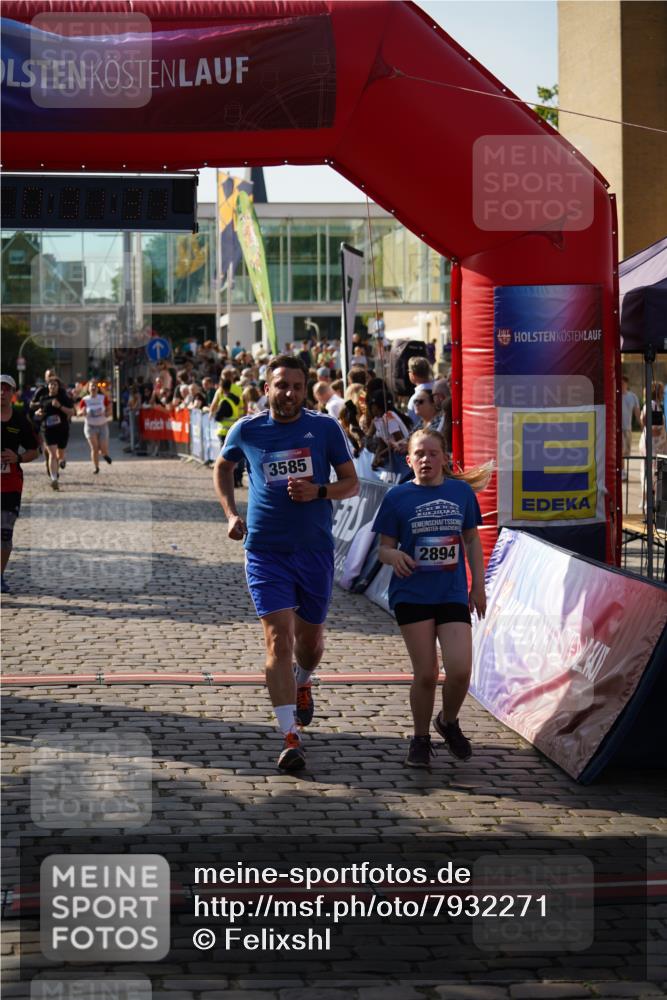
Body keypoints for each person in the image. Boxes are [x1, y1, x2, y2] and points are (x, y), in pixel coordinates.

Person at [213, 355, 359, 773]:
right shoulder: (247, 429)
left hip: (313, 551)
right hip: (265, 550)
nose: (289, 394)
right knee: (278, 639)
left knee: (308, 645)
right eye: (281, 386)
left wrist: (319, 492)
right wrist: (229, 512)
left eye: (297, 386)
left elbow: (351, 483)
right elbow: (223, 466)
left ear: (305, 389)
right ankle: (289, 735)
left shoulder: (324, 428)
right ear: (267, 388)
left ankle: (304, 680)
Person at [372, 429, 488, 768]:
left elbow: (471, 541)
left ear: (444, 458)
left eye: (432, 453)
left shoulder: (461, 492)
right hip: (412, 595)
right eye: (419, 454)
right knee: (425, 673)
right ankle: (420, 740)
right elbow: (383, 548)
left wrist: (477, 586)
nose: (426, 459)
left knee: (461, 669)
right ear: (409, 460)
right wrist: (394, 558)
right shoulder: (397, 497)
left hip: (450, 593)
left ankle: (448, 721)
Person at [1, 375, 39, 592]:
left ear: (13, 392)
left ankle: (0, 575)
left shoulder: (20, 420)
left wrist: (17, 458)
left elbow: (34, 450)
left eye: (6, 389)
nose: (2, 393)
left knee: (5, 533)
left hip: (11, 484)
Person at [33, 377, 74, 489]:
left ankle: (62, 459)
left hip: (62, 430)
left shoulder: (64, 398)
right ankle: (54, 479)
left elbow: (72, 412)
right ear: (48, 386)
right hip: (47, 430)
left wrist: (59, 406)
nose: (52, 386)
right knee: (52, 454)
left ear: (58, 386)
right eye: (50, 384)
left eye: (54, 384)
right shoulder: (43, 398)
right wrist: (38, 413)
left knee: (59, 454)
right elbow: (38, 412)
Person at [639, 382, 667, 511]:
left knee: (651, 474)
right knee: (651, 474)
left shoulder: (655, 405)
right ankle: (647, 502)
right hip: (653, 446)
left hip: (656, 446)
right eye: (661, 391)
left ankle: (647, 501)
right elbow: (645, 422)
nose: (663, 394)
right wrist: (653, 431)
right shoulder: (651, 405)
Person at [79, 379, 112, 474]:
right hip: (90, 426)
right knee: (94, 448)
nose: (93, 388)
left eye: (95, 386)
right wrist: (82, 412)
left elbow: (109, 410)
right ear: (88, 388)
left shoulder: (103, 398)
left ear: (98, 388)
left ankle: (105, 454)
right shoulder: (85, 400)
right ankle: (96, 467)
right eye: (91, 386)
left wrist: (107, 413)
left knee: (103, 448)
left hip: (102, 425)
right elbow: (78, 412)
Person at [621, 376, 640, 481]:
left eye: (623, 383)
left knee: (627, 452)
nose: (622, 385)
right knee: (622, 450)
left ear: (627, 384)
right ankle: (622, 472)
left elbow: (637, 412)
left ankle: (623, 471)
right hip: (618, 429)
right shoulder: (616, 395)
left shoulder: (633, 397)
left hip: (628, 428)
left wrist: (642, 425)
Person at [406, 356, 434, 424]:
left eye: (409, 371)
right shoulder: (440, 388)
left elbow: (413, 424)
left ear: (412, 375)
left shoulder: (415, 400)